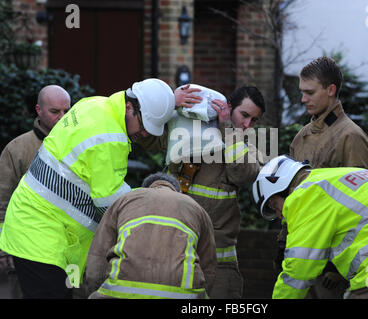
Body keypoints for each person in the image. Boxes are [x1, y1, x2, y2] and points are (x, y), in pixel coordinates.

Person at [0, 79, 201, 299]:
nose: (144, 134)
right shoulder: (109, 140)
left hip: (50, 236)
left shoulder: (95, 104)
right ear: (129, 107)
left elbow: (141, 103)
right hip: (41, 241)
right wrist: (153, 208)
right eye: (144, 126)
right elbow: (112, 203)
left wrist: (169, 101)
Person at [253, 155, 368, 299]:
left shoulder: (303, 195)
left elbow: (299, 270)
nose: (280, 215)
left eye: (275, 206)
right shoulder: (344, 174)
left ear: (280, 186)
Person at [277, 56, 368, 298]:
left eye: (309, 92)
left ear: (331, 90)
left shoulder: (351, 137)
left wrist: (336, 270)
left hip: (331, 264)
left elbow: (365, 205)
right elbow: (293, 197)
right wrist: (283, 242)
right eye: (301, 92)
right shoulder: (300, 137)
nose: (302, 99)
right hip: (300, 255)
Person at [168, 86, 265, 298]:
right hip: (176, 248)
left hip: (219, 261)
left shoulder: (247, 145)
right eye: (244, 115)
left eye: (254, 120)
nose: (247, 125)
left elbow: (243, 174)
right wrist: (171, 103)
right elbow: (149, 138)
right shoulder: (192, 127)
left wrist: (229, 130)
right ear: (227, 107)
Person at [83, 172, 216, 299]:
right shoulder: (196, 208)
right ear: (177, 191)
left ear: (146, 188)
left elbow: (98, 257)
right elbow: (208, 266)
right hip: (183, 294)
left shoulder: (125, 200)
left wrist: (96, 289)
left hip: (121, 290)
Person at [0, 85, 71, 298]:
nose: (62, 117)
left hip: (66, 255)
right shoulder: (17, 149)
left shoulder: (80, 146)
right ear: (39, 110)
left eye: (67, 111)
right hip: (24, 253)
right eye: (55, 111)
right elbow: (2, 202)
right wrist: (4, 251)